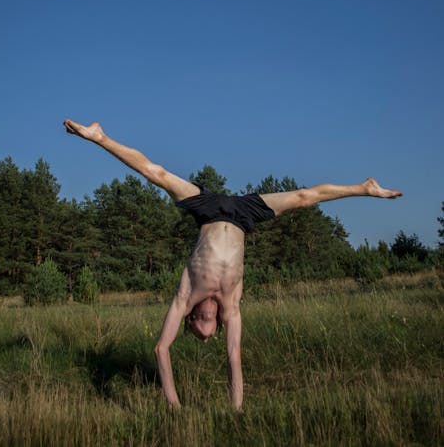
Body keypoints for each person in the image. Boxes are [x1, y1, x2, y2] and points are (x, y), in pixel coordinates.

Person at [63, 119, 402, 410]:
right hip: (243, 216)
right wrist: (236, 411)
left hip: (206, 209)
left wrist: (173, 405)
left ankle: (99, 136)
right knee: (303, 197)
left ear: (193, 322)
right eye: (211, 336)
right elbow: (234, 358)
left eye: (199, 335)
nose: (207, 339)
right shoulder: (231, 306)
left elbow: (161, 348)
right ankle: (366, 188)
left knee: (157, 173)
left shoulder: (185, 297)